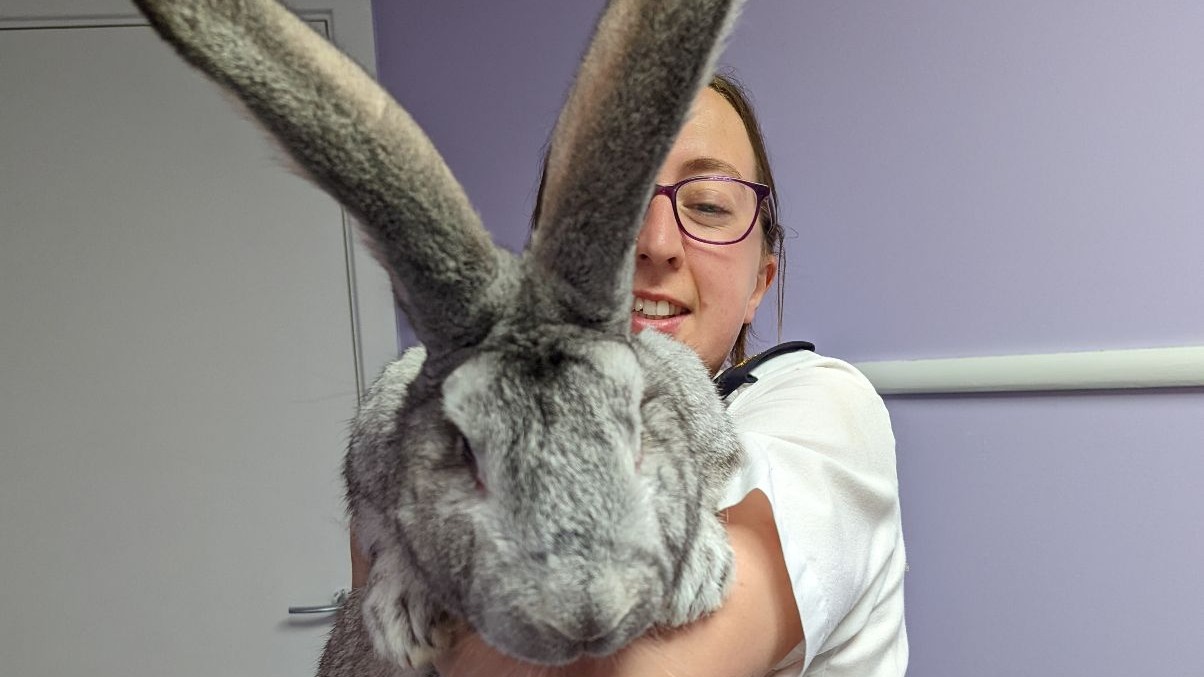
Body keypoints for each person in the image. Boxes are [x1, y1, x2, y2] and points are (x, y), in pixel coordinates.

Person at [350, 73, 908, 677]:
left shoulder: (824, 407)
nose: (656, 242)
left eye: (709, 205)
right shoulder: (455, 407)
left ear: (760, 283)